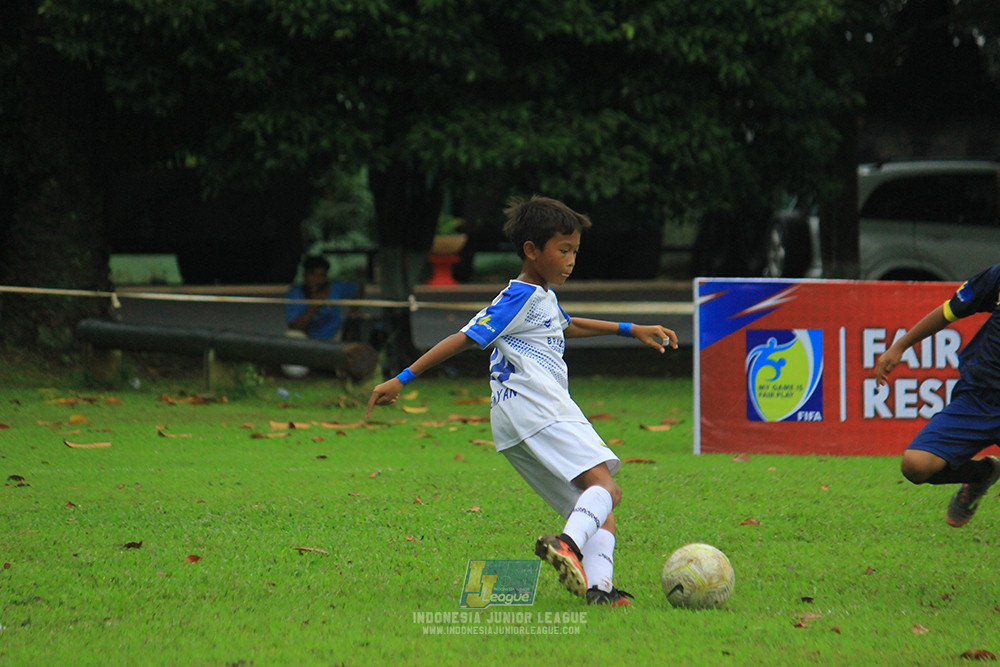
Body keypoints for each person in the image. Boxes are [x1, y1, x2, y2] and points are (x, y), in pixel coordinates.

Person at [366, 195, 678, 606]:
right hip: (540, 406)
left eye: (575, 252)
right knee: (607, 489)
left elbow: (566, 325)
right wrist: (403, 378)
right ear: (532, 251)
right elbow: (464, 338)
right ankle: (566, 544)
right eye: (563, 250)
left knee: (599, 509)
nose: (571, 260)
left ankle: (600, 592)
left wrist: (629, 328)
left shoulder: (541, 296)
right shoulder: (519, 297)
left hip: (514, 420)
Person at [874, 264, 1000, 527]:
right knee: (915, 466)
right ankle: (981, 474)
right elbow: (948, 311)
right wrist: (900, 346)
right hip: (978, 398)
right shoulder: (997, 276)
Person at [285, 255, 362, 341]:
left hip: (335, 335)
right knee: (292, 335)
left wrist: (353, 312)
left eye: (322, 275)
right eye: (313, 275)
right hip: (308, 338)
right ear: (304, 275)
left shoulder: (335, 288)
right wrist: (315, 305)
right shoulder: (295, 293)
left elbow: (359, 287)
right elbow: (296, 327)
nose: (317, 280)